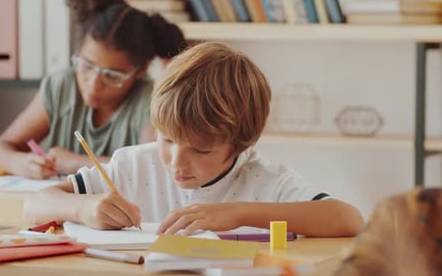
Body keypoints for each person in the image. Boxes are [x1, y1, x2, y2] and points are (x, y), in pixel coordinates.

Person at [23, 42, 365, 237]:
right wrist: (82, 207)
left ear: (240, 144)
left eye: (201, 149)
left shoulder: (263, 180)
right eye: (167, 139)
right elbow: (34, 206)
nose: (176, 161)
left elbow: (349, 219)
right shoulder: (132, 165)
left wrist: (239, 213)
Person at [0, 0, 186, 179]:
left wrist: (74, 163)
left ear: (140, 71)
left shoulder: (149, 102)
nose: (94, 84)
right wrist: (21, 163)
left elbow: (153, 167)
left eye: (112, 75)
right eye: (87, 66)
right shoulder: (62, 86)